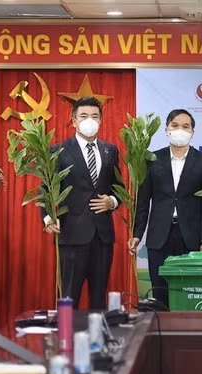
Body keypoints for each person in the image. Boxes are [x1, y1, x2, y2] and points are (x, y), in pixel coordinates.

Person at [128, 109, 202, 307]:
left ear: (192, 132)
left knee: (190, 294)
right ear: (166, 129)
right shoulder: (151, 159)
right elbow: (143, 201)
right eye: (175, 125)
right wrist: (137, 234)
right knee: (160, 293)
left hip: (191, 237)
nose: (180, 130)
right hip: (160, 236)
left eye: (185, 126)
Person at [43, 96, 121, 309]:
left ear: (101, 120)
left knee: (99, 298)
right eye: (84, 116)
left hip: (103, 236)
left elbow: (118, 187)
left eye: (94, 116)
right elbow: (46, 189)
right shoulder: (58, 151)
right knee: (69, 297)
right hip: (71, 234)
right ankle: (66, 332)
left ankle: (98, 331)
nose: (90, 120)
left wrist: (113, 201)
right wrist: (48, 217)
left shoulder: (110, 150)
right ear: (74, 121)